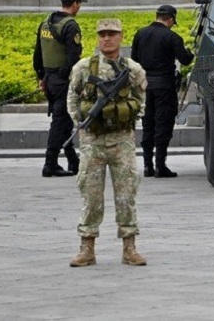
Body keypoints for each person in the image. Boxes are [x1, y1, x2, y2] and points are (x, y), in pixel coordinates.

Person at [67, 19, 147, 267]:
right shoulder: (83, 67)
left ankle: (129, 247)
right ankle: (86, 247)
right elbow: (71, 99)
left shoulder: (133, 69)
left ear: (121, 37)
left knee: (126, 196)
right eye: (102, 34)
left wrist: (122, 113)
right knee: (91, 198)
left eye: (112, 34)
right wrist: (85, 122)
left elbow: (141, 101)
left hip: (122, 141)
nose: (107, 39)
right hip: (93, 141)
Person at [131, 4, 194, 178]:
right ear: (171, 19)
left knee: (148, 125)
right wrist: (190, 53)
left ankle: (147, 166)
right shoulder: (172, 37)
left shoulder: (140, 34)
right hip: (164, 87)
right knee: (163, 125)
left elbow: (134, 61)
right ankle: (160, 166)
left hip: (144, 86)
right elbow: (185, 60)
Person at [33, 0, 85, 177]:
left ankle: (73, 161)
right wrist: (63, 76)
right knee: (60, 121)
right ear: (75, 4)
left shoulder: (45, 23)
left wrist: (42, 76)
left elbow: (37, 54)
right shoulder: (71, 26)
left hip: (49, 79)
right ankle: (50, 163)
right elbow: (73, 57)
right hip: (62, 81)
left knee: (63, 121)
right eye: (79, 4)